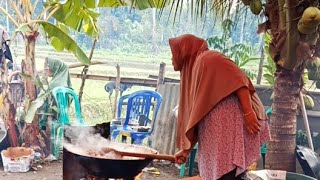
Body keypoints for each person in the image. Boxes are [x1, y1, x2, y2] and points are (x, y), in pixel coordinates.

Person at [170, 34, 271, 180]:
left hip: (231, 130)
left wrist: (248, 113)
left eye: (173, 54)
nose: (172, 59)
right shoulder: (195, 70)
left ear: (184, 50)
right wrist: (187, 150)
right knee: (219, 175)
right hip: (217, 137)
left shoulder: (209, 58)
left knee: (227, 175)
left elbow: (240, 80)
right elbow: (198, 115)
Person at [39, 57, 72, 130]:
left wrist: (44, 76)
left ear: (56, 67)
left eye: (49, 66)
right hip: (62, 119)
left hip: (51, 119)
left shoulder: (54, 84)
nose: (47, 68)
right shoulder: (65, 84)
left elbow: (40, 98)